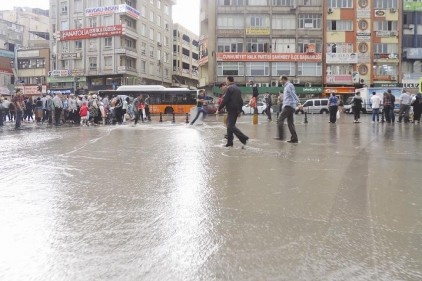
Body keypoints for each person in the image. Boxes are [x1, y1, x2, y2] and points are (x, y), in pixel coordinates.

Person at [218, 76, 249, 147]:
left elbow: (225, 100)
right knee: (229, 126)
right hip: (235, 110)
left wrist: (219, 109)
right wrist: (239, 110)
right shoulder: (237, 88)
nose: (226, 82)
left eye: (226, 80)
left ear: (228, 80)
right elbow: (240, 100)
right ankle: (229, 143)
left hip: (232, 110)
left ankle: (244, 138)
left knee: (230, 126)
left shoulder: (229, 88)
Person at [275, 75, 299, 143]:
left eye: (280, 80)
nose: (280, 81)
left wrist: (298, 103)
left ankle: (281, 136)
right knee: (290, 123)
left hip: (289, 106)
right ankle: (294, 138)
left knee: (280, 119)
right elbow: (289, 96)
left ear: (283, 79)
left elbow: (293, 94)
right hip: (289, 106)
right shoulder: (286, 87)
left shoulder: (289, 86)